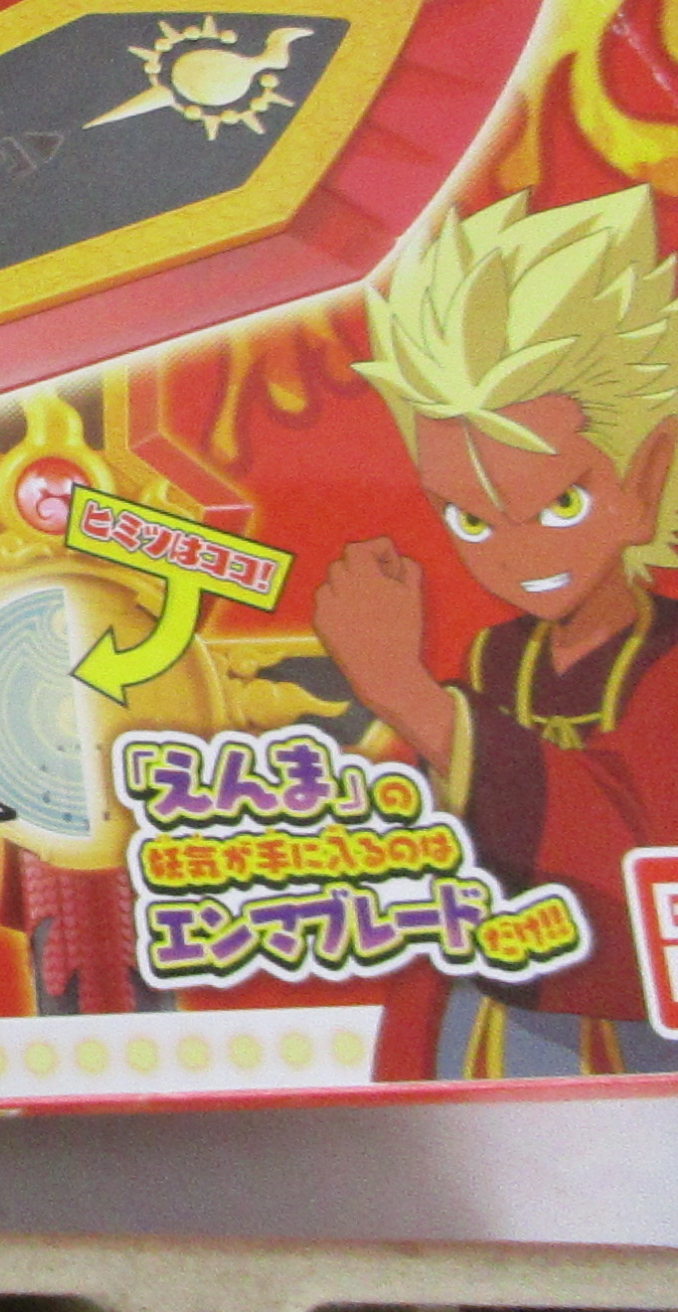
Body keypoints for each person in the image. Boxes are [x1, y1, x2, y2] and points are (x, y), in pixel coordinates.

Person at [316, 186, 678, 1077]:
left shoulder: (665, 662)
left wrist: (413, 699)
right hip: (487, 1020)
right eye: (471, 521)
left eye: (561, 504)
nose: (516, 554)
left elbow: (621, 850)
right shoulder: (496, 656)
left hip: (633, 1039)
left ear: (648, 479)